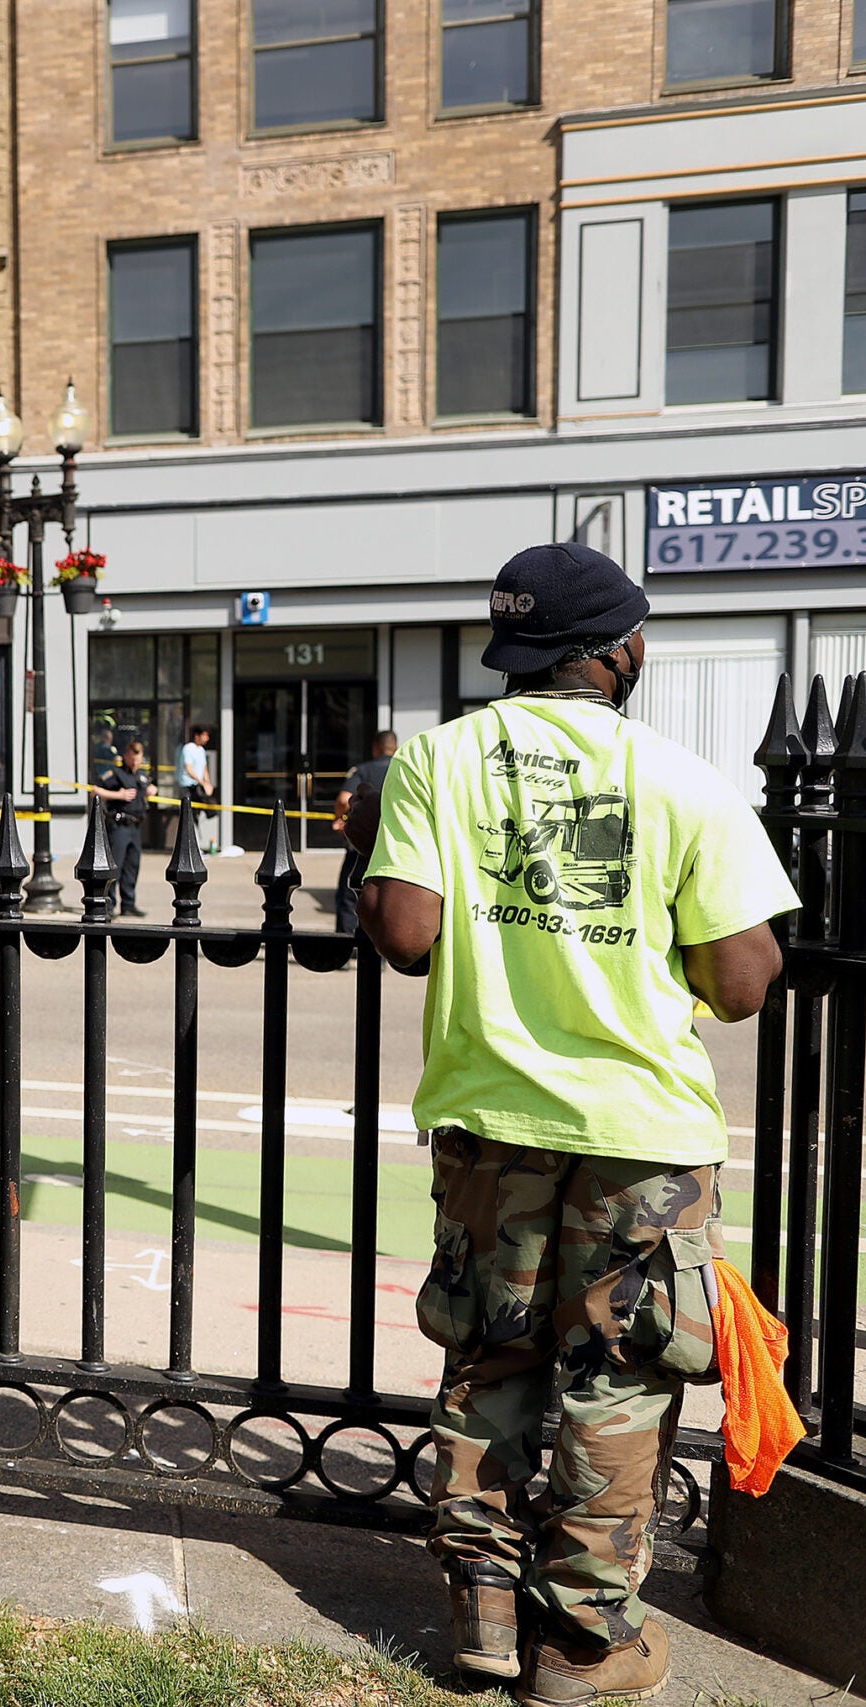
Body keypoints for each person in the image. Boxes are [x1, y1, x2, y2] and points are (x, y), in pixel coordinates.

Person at [353, 543, 793, 1707]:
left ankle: (483, 1618)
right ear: (616, 653)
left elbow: (402, 935)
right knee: (621, 1373)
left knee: (489, 1356)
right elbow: (745, 983)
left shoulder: (436, 761)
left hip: (490, 1119)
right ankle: (584, 1645)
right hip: (641, 1131)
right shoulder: (680, 779)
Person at [331, 729, 398, 934]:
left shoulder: (363, 770)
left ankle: (346, 947)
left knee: (349, 894)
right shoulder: (403, 768)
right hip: (392, 843)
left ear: (375, 747)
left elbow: (344, 799)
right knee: (387, 897)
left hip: (361, 843)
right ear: (395, 747)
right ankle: (380, 952)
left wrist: (343, 819)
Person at [85, 738, 153, 916]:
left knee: (132, 866)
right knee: (116, 866)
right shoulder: (115, 774)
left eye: (139, 758)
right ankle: (110, 905)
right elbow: (95, 790)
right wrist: (119, 795)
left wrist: (152, 790)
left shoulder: (141, 775)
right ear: (125, 756)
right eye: (133, 758)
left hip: (136, 826)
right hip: (119, 825)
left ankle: (128, 904)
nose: (136, 762)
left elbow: (149, 789)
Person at [179, 722, 222, 853]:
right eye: (204, 735)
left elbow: (204, 768)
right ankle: (190, 847)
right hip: (188, 786)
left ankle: (198, 844)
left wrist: (207, 783)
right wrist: (202, 782)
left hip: (198, 786)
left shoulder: (201, 750)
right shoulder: (188, 748)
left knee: (205, 811)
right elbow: (188, 768)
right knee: (189, 815)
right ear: (197, 736)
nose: (207, 738)